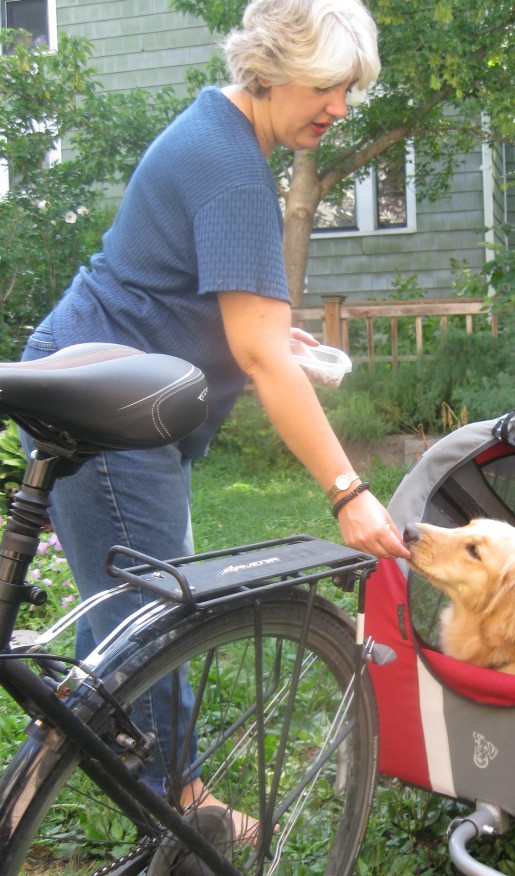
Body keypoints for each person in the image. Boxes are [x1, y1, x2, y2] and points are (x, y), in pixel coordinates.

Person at [20, 0, 409, 819]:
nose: (339, 107)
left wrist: (267, 337)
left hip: (100, 373)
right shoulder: (235, 170)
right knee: (153, 628)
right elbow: (259, 353)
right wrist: (348, 490)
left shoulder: (220, 133)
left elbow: (221, 312)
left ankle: (34, 796)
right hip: (108, 413)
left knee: (117, 631)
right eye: (327, 87)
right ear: (271, 70)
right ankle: (181, 817)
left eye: (349, 90)